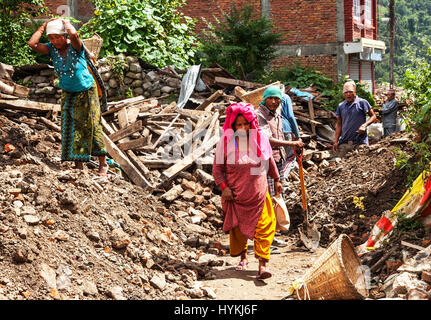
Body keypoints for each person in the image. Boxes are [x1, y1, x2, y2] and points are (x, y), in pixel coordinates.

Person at [28, 18, 108, 176]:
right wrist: (43, 27)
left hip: (86, 90)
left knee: (92, 125)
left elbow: (74, 34)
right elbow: (32, 44)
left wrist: (65, 22)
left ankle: (103, 164)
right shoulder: (51, 49)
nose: (55, 40)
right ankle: (78, 165)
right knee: (70, 126)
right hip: (68, 92)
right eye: (51, 38)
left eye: (57, 36)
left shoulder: (76, 46)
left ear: (64, 36)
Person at [212, 102, 281, 280]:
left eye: (246, 124)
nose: (242, 128)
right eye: (238, 124)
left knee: (264, 227)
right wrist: (224, 188)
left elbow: (269, 160)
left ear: (251, 123)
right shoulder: (225, 143)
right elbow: (217, 170)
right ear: (233, 125)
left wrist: (277, 179)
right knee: (239, 229)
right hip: (235, 195)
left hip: (258, 193)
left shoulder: (260, 138)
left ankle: (262, 264)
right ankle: (243, 256)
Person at [257, 86, 304, 247]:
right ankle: (264, 237)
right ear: (265, 98)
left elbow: (281, 135)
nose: (274, 101)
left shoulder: (276, 114)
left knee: (276, 196)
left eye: (277, 99)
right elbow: (267, 140)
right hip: (265, 162)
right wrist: (293, 143)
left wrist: (294, 144)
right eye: (271, 98)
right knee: (267, 199)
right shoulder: (260, 115)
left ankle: (271, 234)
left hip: (278, 159)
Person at [332, 81, 376, 157]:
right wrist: (336, 141)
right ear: (343, 94)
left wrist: (364, 125)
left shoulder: (362, 103)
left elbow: (373, 116)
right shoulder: (341, 106)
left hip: (360, 143)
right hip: (345, 143)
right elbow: (339, 124)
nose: (348, 94)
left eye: (350, 92)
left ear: (355, 91)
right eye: (346, 92)